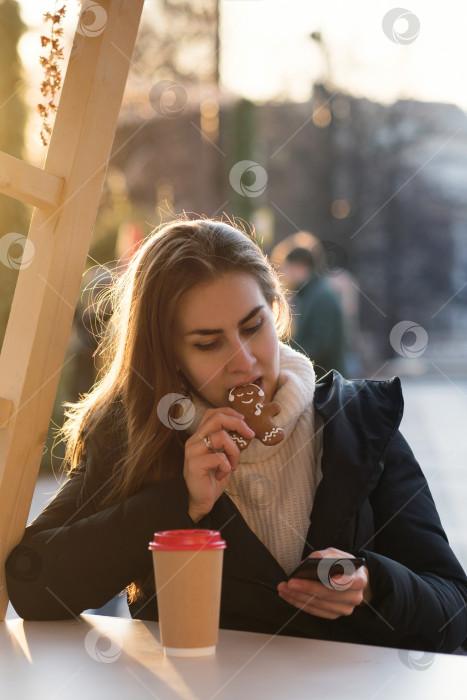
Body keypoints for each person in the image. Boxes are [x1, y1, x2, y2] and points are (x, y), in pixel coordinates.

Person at [6, 218, 467, 654]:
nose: (244, 361)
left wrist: (373, 585)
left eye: (253, 327)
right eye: (209, 343)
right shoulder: (136, 435)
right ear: (169, 354)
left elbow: (454, 608)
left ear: (277, 311)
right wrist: (179, 501)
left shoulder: (361, 420)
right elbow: (34, 584)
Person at [283, 246, 347, 377]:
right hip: (323, 377)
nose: (288, 275)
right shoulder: (311, 293)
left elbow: (321, 345)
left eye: (290, 268)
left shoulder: (321, 297)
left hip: (327, 379)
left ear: (300, 266)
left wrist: (290, 358)